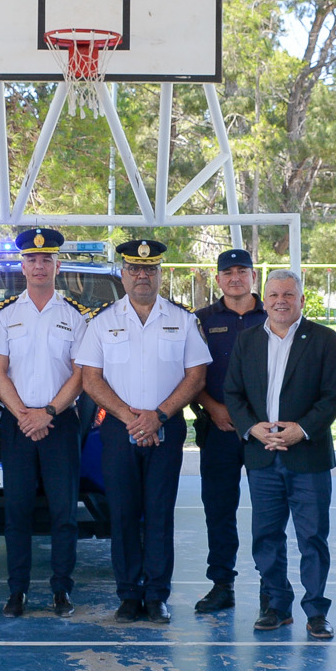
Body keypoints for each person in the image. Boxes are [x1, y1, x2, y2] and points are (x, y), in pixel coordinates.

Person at [75, 239, 210, 623]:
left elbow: (196, 375)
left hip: (166, 429)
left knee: (159, 513)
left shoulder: (182, 319)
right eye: (134, 269)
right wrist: (130, 416)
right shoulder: (102, 321)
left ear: (160, 274)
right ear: (123, 274)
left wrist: (159, 416)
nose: (142, 276)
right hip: (118, 430)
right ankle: (129, 595)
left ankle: (156, 595)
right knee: (122, 513)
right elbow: (90, 378)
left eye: (149, 269)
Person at [223, 269, 336, 637]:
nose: (280, 301)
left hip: (307, 456)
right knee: (266, 536)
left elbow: (333, 395)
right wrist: (252, 428)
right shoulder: (247, 342)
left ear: (302, 300)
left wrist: (300, 430)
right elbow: (233, 393)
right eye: (274, 294)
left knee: (312, 538)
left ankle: (316, 611)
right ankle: (277, 605)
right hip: (262, 456)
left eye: (289, 295)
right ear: (265, 299)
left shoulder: (324, 339)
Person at [0, 227, 90, 618]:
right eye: (32, 259)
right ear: (23, 266)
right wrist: (25, 416)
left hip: (60, 424)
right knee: (17, 512)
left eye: (46, 259)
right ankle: (18, 592)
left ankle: (62, 590)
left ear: (57, 265)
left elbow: (81, 373)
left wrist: (46, 413)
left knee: (64, 513)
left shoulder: (76, 316)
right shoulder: (5, 315)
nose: (39, 265)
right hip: (17, 424)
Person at [189, 248, 269, 615]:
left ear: (254, 276)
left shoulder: (274, 315)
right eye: (228, 272)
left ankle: (273, 590)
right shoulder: (201, 320)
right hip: (218, 428)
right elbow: (190, 374)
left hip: (266, 432)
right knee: (219, 510)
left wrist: (256, 420)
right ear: (217, 278)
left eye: (242, 270)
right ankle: (222, 585)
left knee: (269, 512)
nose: (235, 277)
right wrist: (211, 406)